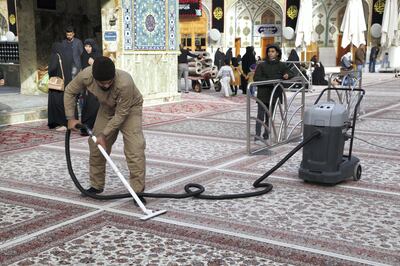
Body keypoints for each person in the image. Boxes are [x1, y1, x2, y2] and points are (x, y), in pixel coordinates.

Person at [64, 56, 146, 203]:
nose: (107, 85)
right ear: (94, 78)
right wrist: (70, 117)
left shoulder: (125, 82)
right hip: (107, 108)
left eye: (110, 82)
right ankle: (96, 186)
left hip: (130, 109)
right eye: (103, 83)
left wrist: (104, 134)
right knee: (96, 146)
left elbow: (121, 114)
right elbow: (70, 91)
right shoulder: (86, 76)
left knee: (135, 149)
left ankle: (137, 192)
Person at [254, 44, 293, 142]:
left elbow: (291, 72)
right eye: (269, 51)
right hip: (263, 94)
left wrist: (287, 75)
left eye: (273, 51)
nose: (270, 53)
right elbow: (256, 78)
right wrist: (272, 80)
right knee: (260, 115)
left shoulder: (281, 65)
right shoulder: (261, 65)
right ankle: (257, 135)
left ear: (277, 53)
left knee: (269, 116)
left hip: (275, 94)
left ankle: (266, 133)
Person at [47, 42, 73, 131]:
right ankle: (61, 122)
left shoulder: (55, 55)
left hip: (56, 84)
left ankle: (62, 123)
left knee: (57, 103)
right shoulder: (65, 55)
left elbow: (53, 68)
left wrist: (49, 70)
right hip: (64, 83)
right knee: (62, 103)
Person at [79, 38, 101, 135]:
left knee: (94, 105)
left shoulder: (97, 55)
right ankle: (86, 127)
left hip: (96, 84)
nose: (87, 48)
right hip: (86, 84)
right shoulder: (84, 55)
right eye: (86, 46)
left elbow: (101, 68)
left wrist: (94, 63)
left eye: (89, 46)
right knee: (86, 105)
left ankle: (94, 126)